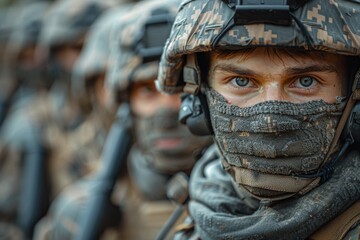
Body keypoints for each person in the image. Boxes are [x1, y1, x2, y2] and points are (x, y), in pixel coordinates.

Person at [156, 0, 360, 239]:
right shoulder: (200, 205)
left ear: (354, 97)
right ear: (199, 103)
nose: (269, 121)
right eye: (241, 81)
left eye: (306, 81)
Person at [38, 0, 212, 239]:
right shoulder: (83, 211)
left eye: (182, 88)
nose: (166, 111)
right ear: (125, 105)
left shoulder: (243, 209)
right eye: (147, 91)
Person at [0, 0, 118, 239]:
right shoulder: (35, 122)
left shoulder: (131, 111)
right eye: (79, 47)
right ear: (56, 53)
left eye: (100, 44)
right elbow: (11, 221)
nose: (92, 55)